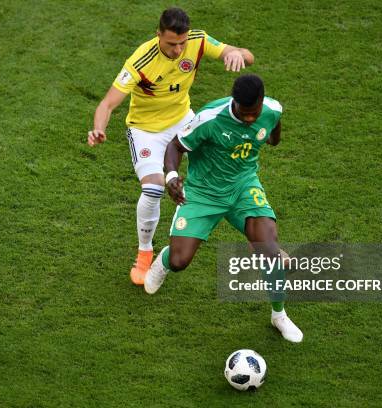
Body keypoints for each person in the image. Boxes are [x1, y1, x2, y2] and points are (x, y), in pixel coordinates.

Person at [87, 7, 254, 285]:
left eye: (181, 43)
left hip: (182, 121)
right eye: (171, 44)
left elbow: (246, 55)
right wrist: (98, 129)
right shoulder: (141, 60)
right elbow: (107, 103)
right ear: (158, 35)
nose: (178, 51)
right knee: (153, 187)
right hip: (146, 130)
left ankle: (249, 231)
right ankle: (144, 253)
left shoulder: (198, 40)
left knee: (223, 168)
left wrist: (234, 53)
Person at [144, 74, 303, 343]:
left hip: (243, 187)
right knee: (180, 261)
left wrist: (268, 133)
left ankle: (279, 314)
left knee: (269, 248)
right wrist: (172, 177)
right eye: (244, 113)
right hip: (203, 192)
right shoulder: (210, 118)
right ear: (234, 103)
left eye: (255, 113)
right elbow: (176, 145)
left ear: (262, 102)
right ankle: (164, 261)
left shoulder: (272, 110)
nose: (250, 119)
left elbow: (274, 135)